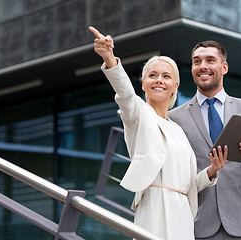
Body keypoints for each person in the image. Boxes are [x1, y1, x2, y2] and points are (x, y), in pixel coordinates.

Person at [89, 27, 228, 240]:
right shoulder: (138, 113)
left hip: (182, 213)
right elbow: (125, 93)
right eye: (152, 75)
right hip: (154, 207)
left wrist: (211, 171)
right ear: (143, 84)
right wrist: (109, 58)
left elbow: (189, 184)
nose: (159, 80)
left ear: (175, 86)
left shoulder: (178, 130)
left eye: (166, 76)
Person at [168, 40, 241, 240]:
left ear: (224, 67)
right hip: (199, 227)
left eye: (210, 60)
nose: (202, 66)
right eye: (197, 61)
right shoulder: (175, 118)